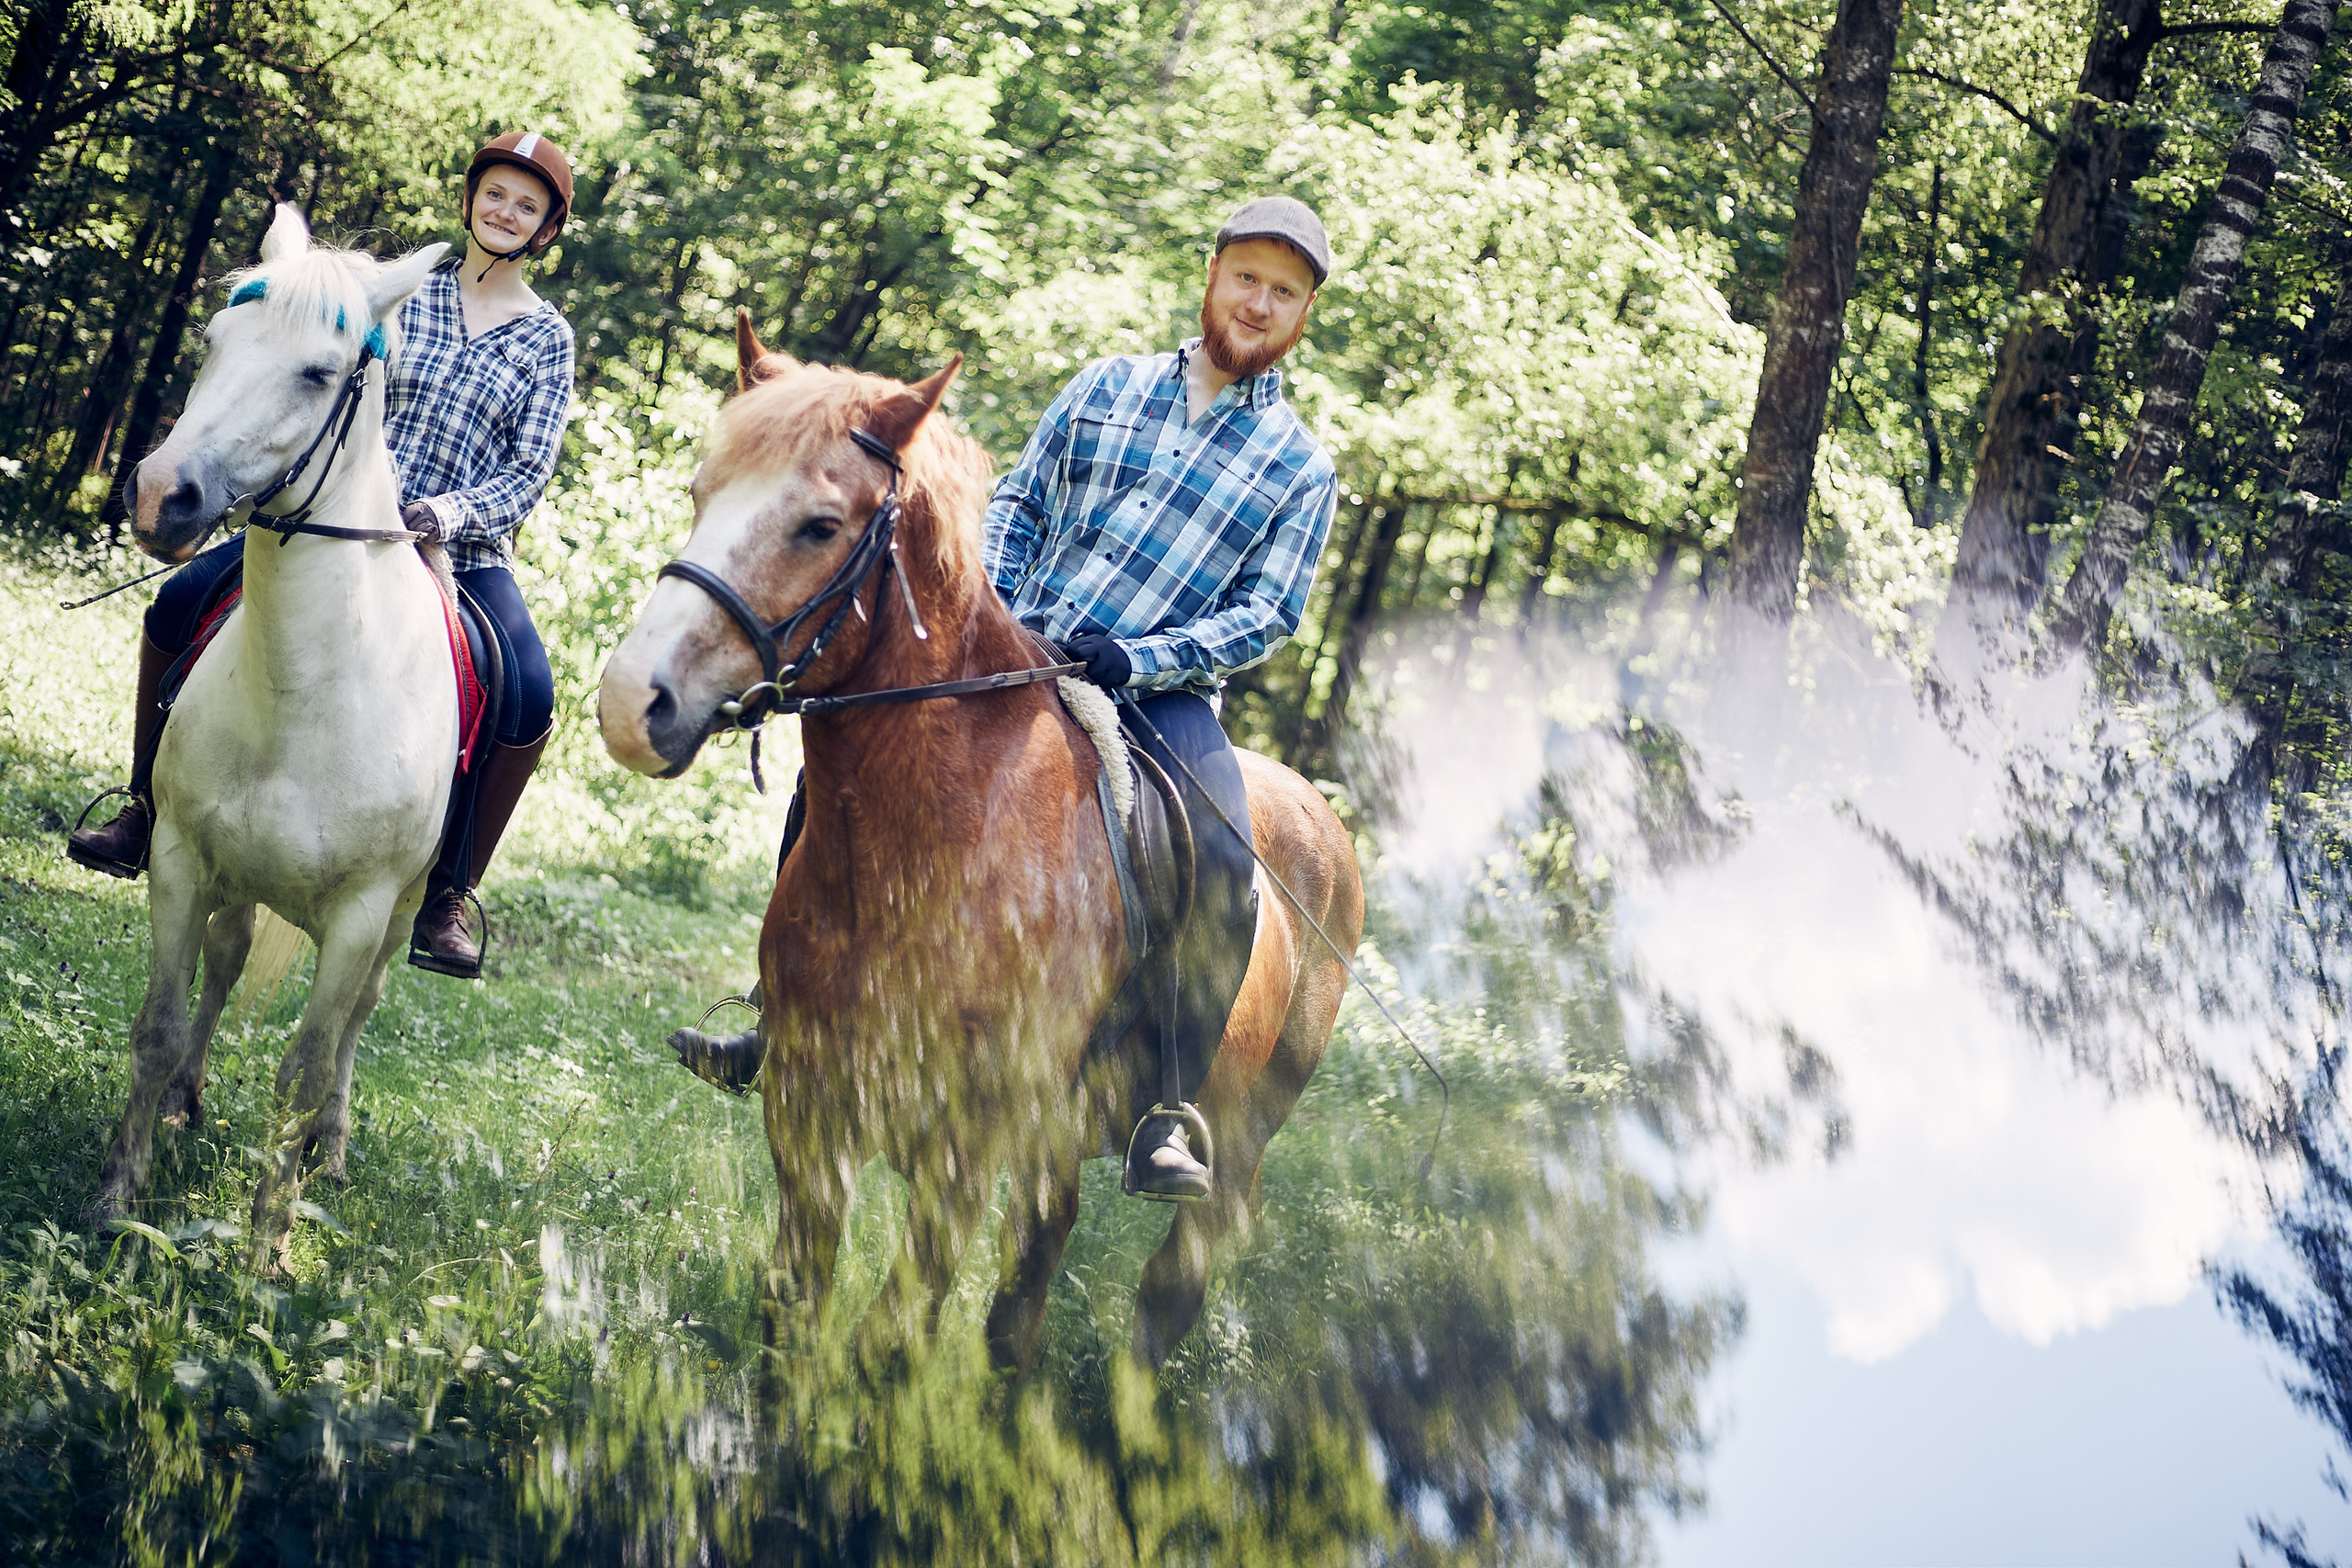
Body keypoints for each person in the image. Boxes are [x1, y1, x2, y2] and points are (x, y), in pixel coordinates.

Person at [669, 196, 1340, 1200]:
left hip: (1154, 692)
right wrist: (1007, 614)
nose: (1257, 302)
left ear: (1302, 313)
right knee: (838, 766)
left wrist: (1140, 657)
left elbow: (1268, 613)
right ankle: (780, 1014)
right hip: (1014, 650)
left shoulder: (1299, 466)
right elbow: (1020, 502)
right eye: (1245, 276)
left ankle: (1166, 1109)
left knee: (1223, 861)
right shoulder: (1105, 386)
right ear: (1212, 276)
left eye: (1282, 291)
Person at [68, 130, 577, 982]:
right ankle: (143, 804)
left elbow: (528, 470)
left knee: (528, 689)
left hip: (462, 544)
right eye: (495, 192)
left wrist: (446, 512)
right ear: (470, 199)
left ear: (546, 229)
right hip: (334, 519)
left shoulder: (548, 338)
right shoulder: (393, 294)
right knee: (179, 601)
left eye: (526, 205)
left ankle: (450, 889)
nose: (505, 211)